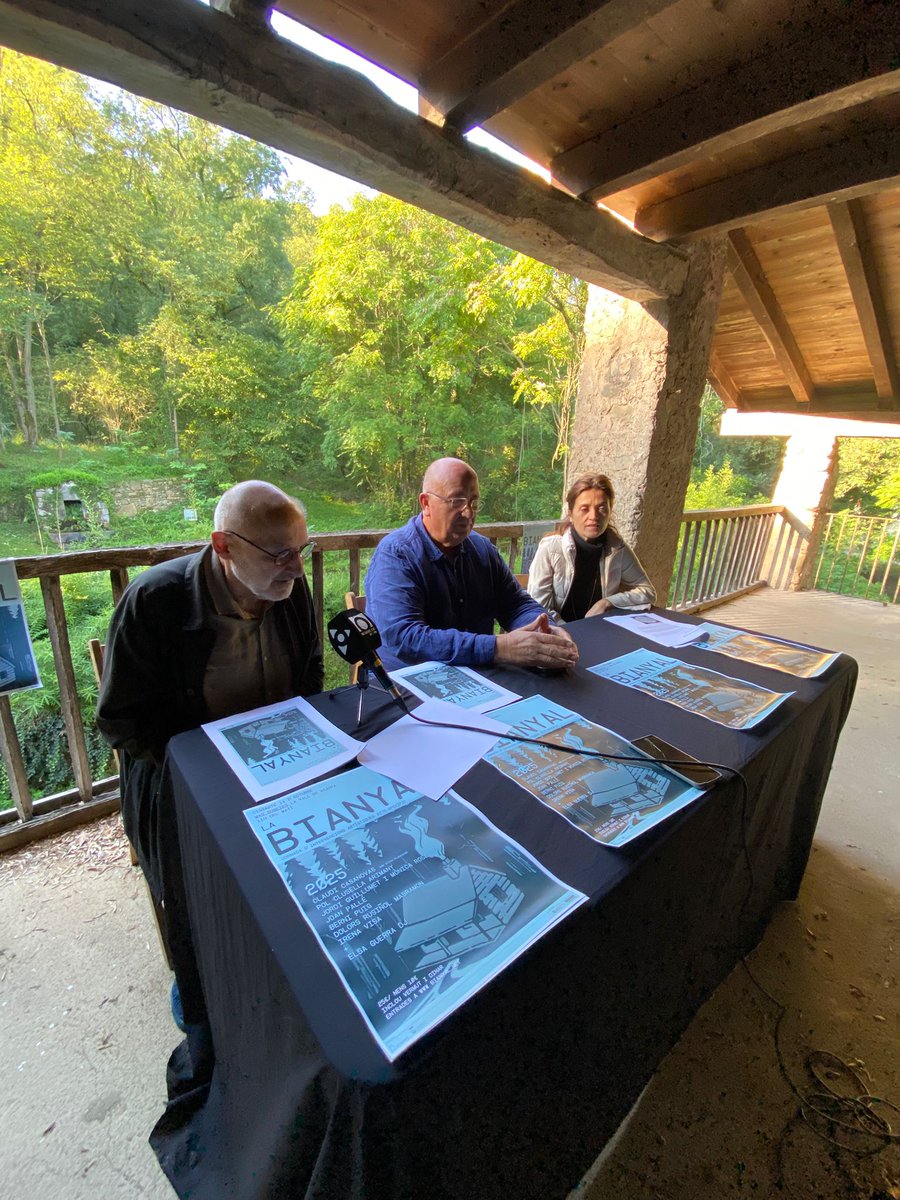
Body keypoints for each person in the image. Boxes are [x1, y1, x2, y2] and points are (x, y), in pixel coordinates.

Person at [96, 480, 323, 1037]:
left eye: (302, 550)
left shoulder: (288, 590)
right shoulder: (156, 602)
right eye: (280, 554)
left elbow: (311, 674)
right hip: (183, 781)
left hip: (280, 764)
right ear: (223, 546)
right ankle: (200, 987)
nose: (296, 569)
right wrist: (211, 765)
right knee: (200, 896)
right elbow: (120, 720)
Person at [364, 457, 578, 670]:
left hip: (477, 676)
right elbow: (405, 638)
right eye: (457, 501)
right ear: (426, 503)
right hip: (408, 684)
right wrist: (498, 648)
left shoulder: (482, 549)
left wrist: (547, 629)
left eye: (473, 502)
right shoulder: (396, 555)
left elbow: (515, 604)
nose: (468, 513)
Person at [527, 473, 656, 621]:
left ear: (610, 511)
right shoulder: (551, 549)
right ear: (570, 514)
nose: (594, 516)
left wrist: (607, 602)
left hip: (599, 630)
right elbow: (538, 609)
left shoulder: (616, 548)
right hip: (558, 633)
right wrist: (568, 632)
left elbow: (648, 591)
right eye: (584, 509)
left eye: (601, 508)